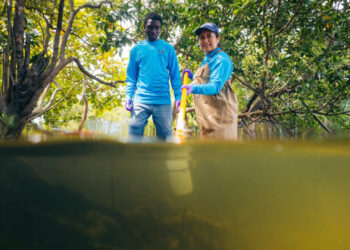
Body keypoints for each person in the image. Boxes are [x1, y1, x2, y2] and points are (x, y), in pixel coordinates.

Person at [124, 13, 182, 141]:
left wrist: (178, 96)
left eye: (157, 28)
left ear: (160, 29)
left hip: (163, 100)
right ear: (145, 27)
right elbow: (131, 77)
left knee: (166, 138)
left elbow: (175, 75)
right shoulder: (136, 50)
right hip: (141, 100)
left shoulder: (168, 49)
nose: (154, 30)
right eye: (150, 27)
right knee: (133, 136)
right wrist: (128, 95)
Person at [181, 23, 238, 140]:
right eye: (202, 37)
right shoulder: (208, 59)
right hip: (207, 121)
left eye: (209, 36)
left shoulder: (221, 59)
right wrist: (192, 76)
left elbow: (215, 86)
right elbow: (205, 79)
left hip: (221, 122)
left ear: (217, 39)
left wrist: (192, 88)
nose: (205, 40)